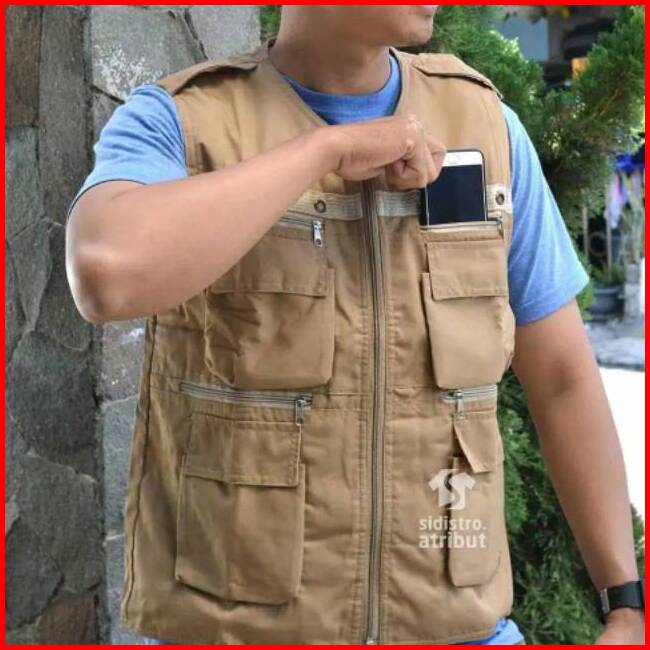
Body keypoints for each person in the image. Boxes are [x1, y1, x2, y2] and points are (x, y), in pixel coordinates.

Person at [65, 6, 644, 646]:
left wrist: (625, 603)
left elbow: (562, 380)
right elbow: (106, 274)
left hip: (461, 631)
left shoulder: (486, 130)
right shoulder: (184, 121)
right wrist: (325, 150)